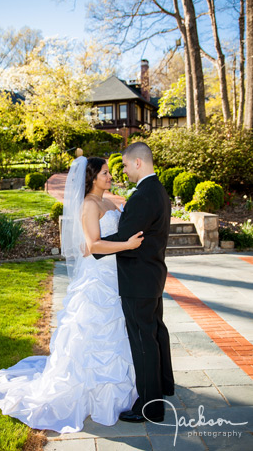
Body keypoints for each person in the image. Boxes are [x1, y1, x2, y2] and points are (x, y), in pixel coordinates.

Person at [0, 156, 144, 433]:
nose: (110, 176)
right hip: (97, 280)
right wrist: (127, 245)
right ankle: (89, 393)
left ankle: (119, 388)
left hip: (115, 278)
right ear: (93, 177)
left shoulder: (109, 202)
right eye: (105, 173)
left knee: (118, 333)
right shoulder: (88, 205)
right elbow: (92, 246)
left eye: (109, 173)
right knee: (92, 332)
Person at [96, 142, 174, 423]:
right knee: (155, 334)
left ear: (138, 163)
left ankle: (150, 407)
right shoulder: (158, 190)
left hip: (138, 279)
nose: (124, 171)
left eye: (126, 166)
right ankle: (163, 387)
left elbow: (127, 237)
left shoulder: (143, 195)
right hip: (151, 275)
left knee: (143, 341)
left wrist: (93, 245)